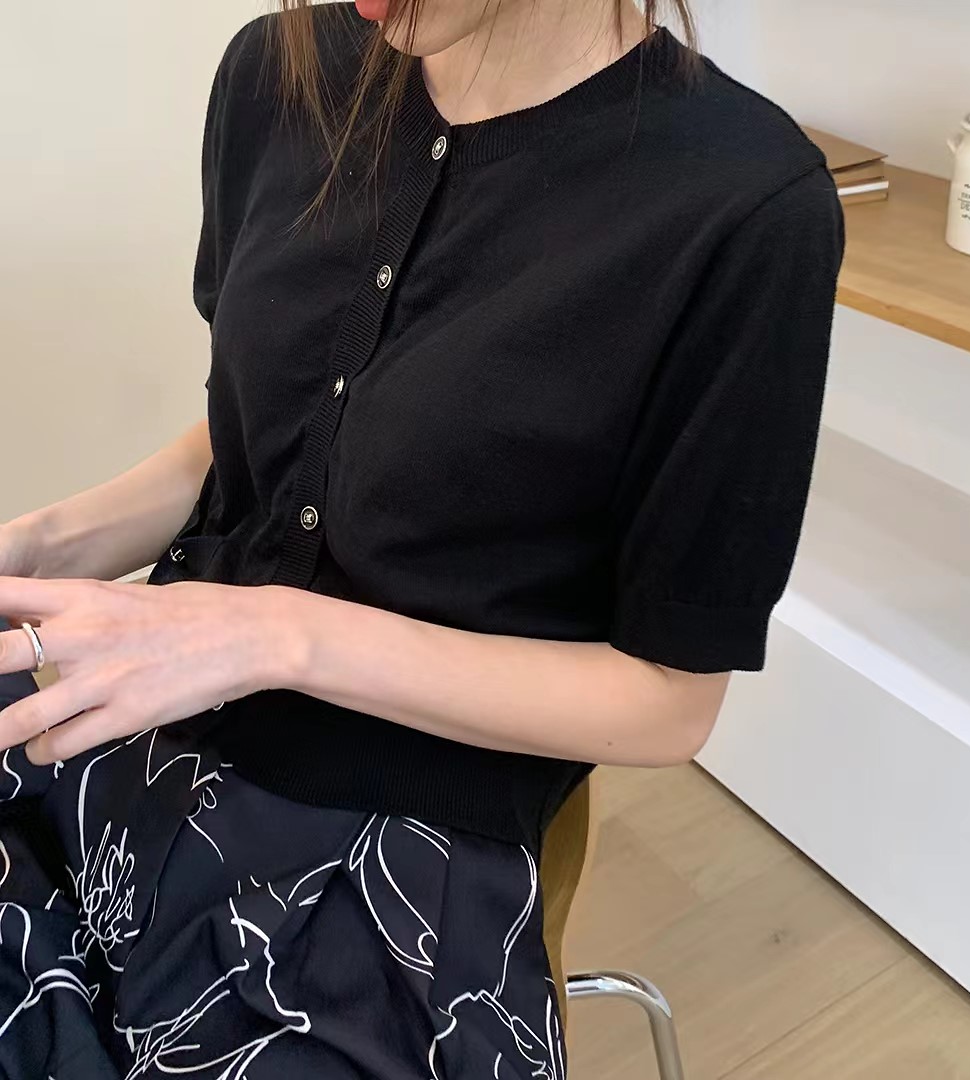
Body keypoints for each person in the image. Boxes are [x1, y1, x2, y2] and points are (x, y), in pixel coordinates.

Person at [0, 0, 844, 1075]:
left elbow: (670, 701)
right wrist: (40, 546)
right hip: (135, 733)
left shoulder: (744, 203)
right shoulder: (277, 72)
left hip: (396, 852)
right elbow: (257, 430)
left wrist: (277, 636)